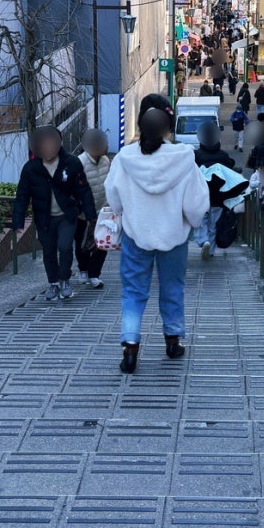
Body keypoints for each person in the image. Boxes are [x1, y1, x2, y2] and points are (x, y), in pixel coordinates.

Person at [104, 100, 209, 374]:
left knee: (133, 292)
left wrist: (124, 212)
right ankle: (172, 341)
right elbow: (197, 204)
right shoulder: (184, 158)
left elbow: (113, 197)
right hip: (173, 236)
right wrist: (193, 224)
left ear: (139, 127)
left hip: (135, 234)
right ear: (167, 130)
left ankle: (130, 346)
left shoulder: (124, 159)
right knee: (173, 288)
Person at [12, 125, 97, 302]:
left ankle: (65, 279)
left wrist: (91, 215)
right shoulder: (31, 168)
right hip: (44, 218)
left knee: (65, 246)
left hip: (67, 214)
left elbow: (84, 190)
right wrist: (18, 221)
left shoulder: (71, 163)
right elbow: (22, 196)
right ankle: (53, 282)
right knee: (49, 251)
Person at [192, 120, 235, 260]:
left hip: (201, 194)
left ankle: (203, 241)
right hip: (219, 196)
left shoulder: (196, 156)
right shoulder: (223, 155)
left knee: (202, 220)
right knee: (214, 223)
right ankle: (211, 250)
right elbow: (230, 169)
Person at [75, 128, 111, 288]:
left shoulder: (106, 162)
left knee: (102, 243)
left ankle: (94, 274)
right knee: (82, 243)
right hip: (83, 212)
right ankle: (83, 269)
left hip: (103, 209)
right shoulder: (79, 162)